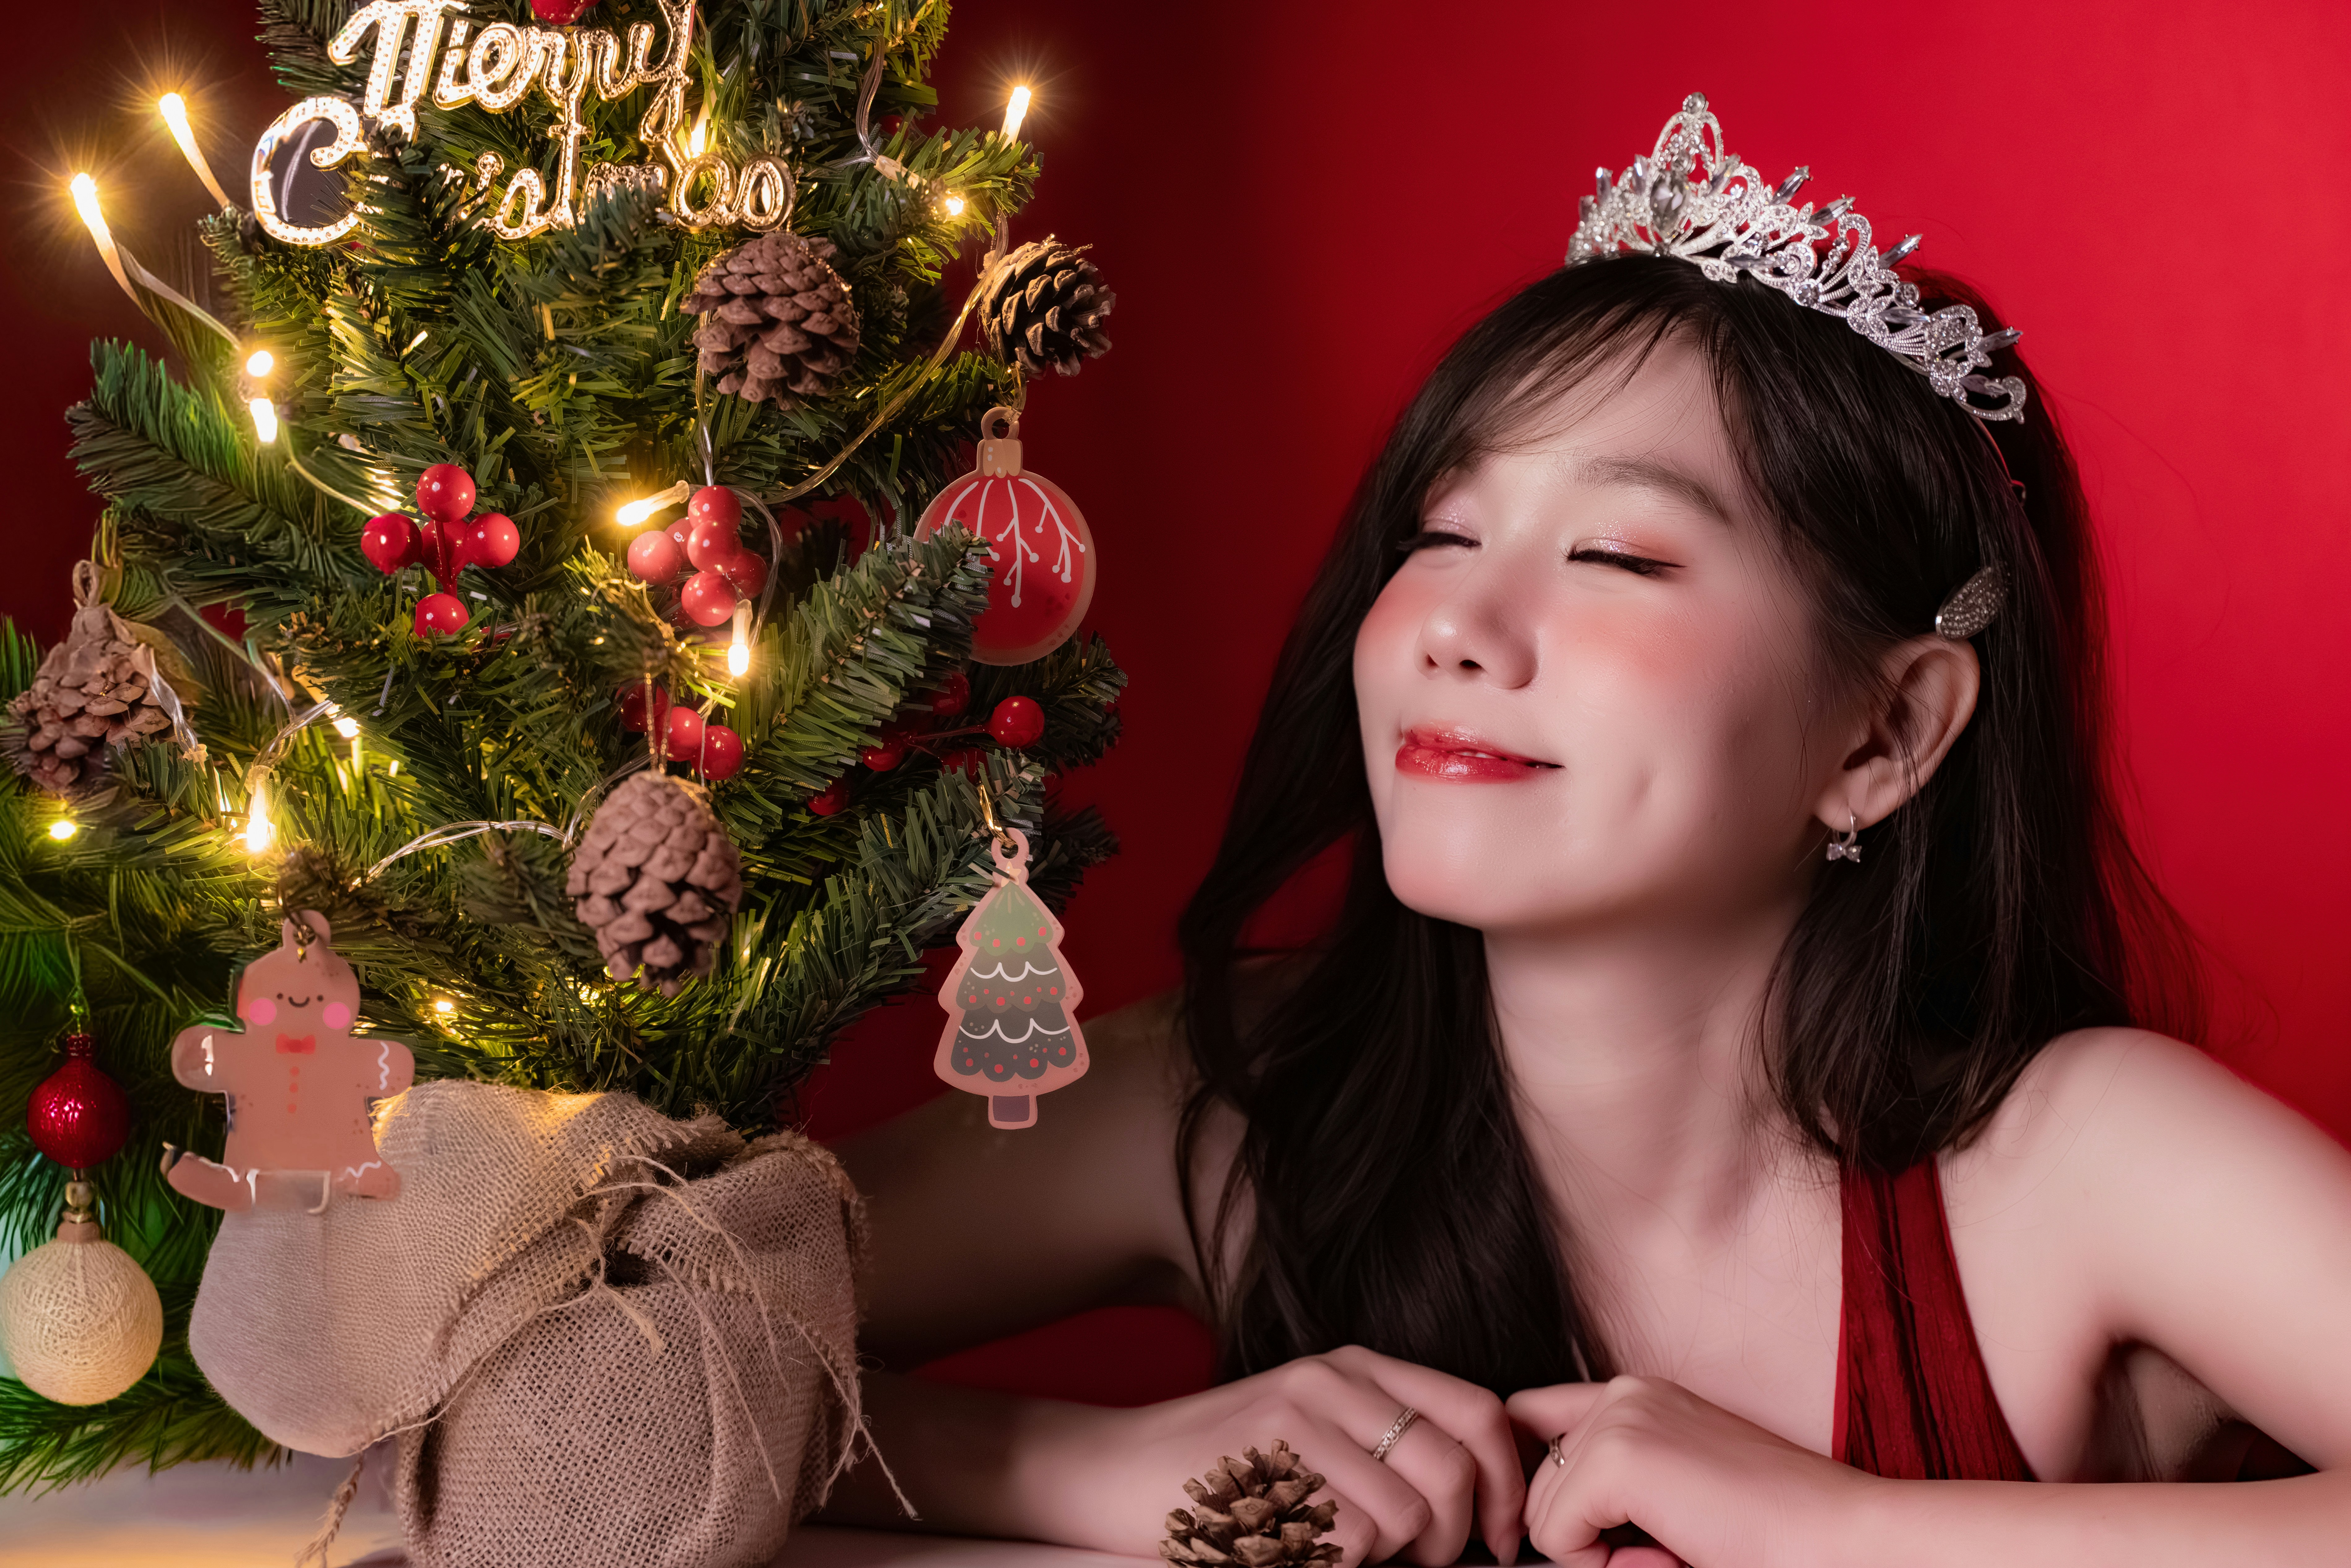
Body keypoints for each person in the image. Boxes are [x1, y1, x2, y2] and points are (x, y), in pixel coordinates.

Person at [823, 95, 2351, 1566]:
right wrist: (1085, 1463)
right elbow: (611, 1328)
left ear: (1884, 736)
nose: (1459, 628)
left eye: (1616, 553)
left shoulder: (2079, 1162)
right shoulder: (1238, 1103)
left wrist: (1839, 1530)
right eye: (1442, 534)